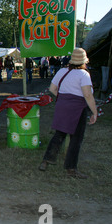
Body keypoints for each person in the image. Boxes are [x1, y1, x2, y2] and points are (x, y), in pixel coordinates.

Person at [38, 48, 98, 179]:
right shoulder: (84, 74)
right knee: (76, 139)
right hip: (77, 108)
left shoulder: (62, 71)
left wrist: (64, 98)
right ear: (84, 61)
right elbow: (87, 94)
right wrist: (94, 112)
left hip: (62, 105)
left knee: (59, 134)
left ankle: (46, 160)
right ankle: (71, 168)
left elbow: (52, 89)